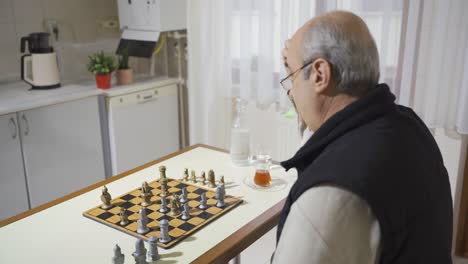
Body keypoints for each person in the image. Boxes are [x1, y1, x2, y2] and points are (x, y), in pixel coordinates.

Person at [272, 11, 453, 264]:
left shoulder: (330, 193)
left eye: (290, 76)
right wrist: (297, 70)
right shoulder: (408, 127)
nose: (291, 89)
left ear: (320, 75)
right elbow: (324, 131)